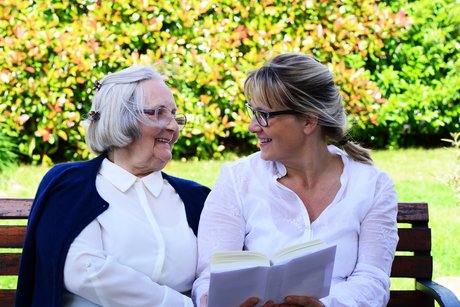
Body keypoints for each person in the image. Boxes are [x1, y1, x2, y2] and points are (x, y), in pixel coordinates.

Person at [192, 53, 398, 307]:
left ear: (309, 121)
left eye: (264, 115)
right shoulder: (237, 180)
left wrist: (327, 306)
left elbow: (373, 278)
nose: (252, 126)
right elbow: (211, 276)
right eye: (252, 112)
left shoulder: (372, 186)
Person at [15, 65, 211, 307]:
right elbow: (84, 270)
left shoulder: (195, 198)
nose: (173, 127)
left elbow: (213, 269)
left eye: (174, 115)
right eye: (158, 113)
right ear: (120, 117)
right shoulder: (71, 186)